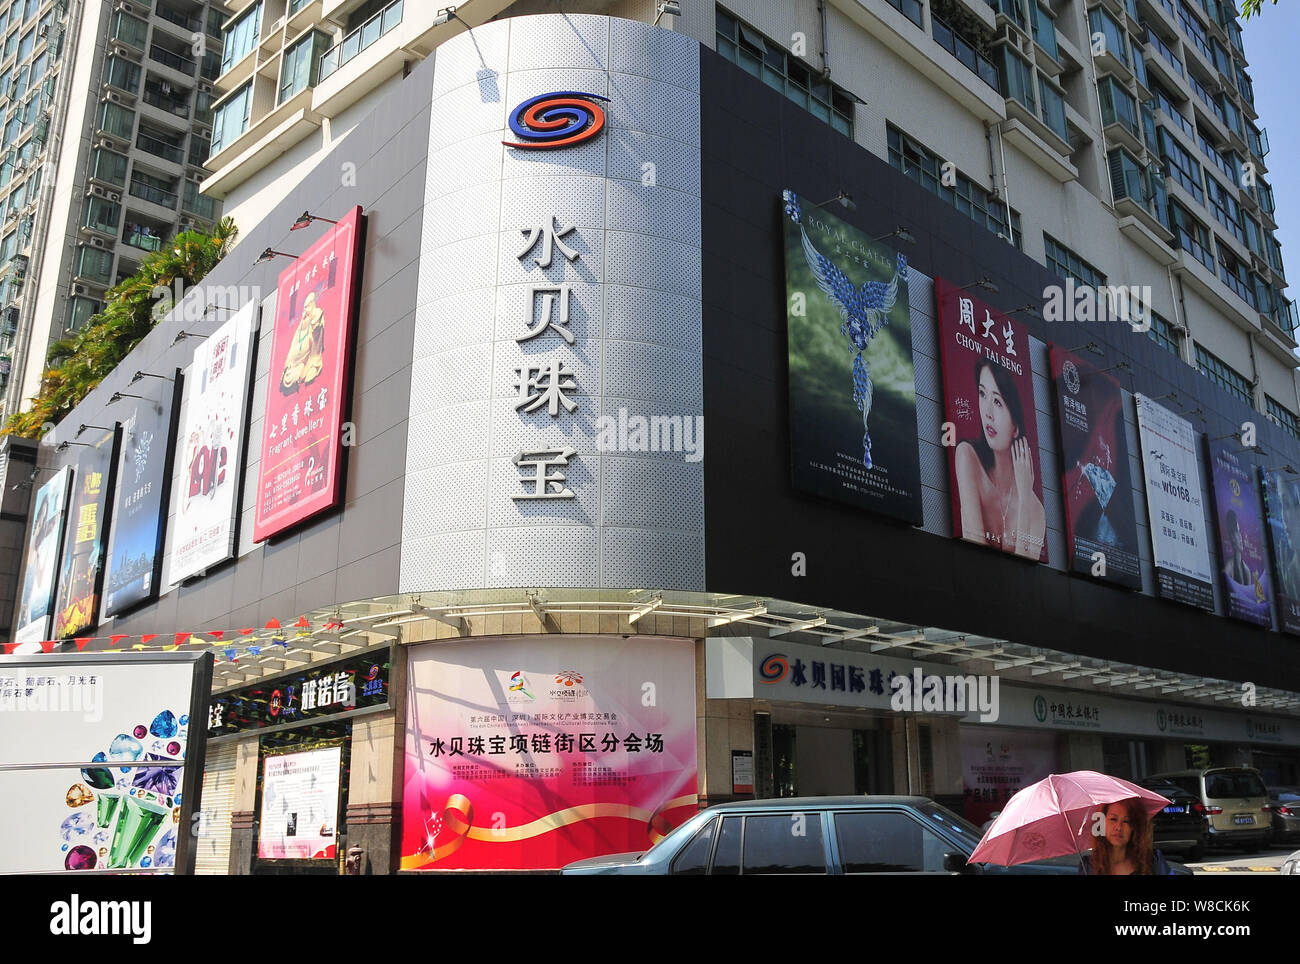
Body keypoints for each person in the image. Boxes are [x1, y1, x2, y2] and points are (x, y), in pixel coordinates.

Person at [954, 357, 1046, 560]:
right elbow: (974, 548)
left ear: (1016, 427)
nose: (987, 413)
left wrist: (1024, 500)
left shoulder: (1037, 511)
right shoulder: (967, 457)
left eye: (997, 402)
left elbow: (1024, 571)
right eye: (982, 394)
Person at [1079, 797, 1173, 875]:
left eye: (1126, 821)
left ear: (1135, 827)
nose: (1119, 827)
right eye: (1113, 819)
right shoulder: (1089, 866)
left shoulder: (1153, 862)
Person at [1222, 510, 1251, 586]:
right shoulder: (1229, 567)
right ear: (1232, 537)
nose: (1240, 537)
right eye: (1237, 532)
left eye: (1239, 532)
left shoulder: (1246, 571)